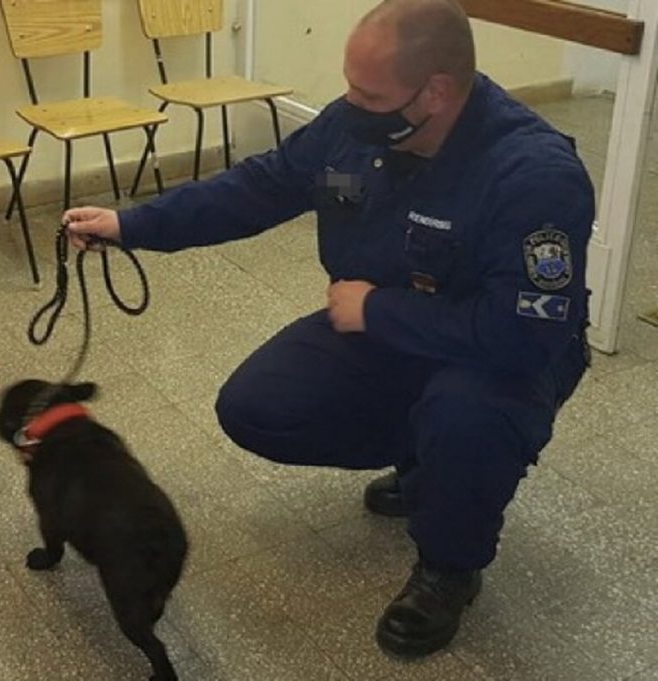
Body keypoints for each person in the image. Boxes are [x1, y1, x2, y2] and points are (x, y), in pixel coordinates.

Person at [62, 0, 593, 658]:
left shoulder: (533, 176)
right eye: (349, 86)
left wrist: (376, 312)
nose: (349, 104)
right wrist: (132, 225)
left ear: (436, 91)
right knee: (257, 407)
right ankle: (428, 465)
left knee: (465, 417)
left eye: (369, 95)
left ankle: (449, 565)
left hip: (495, 358)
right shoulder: (356, 131)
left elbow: (525, 336)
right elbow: (262, 187)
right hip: (387, 326)